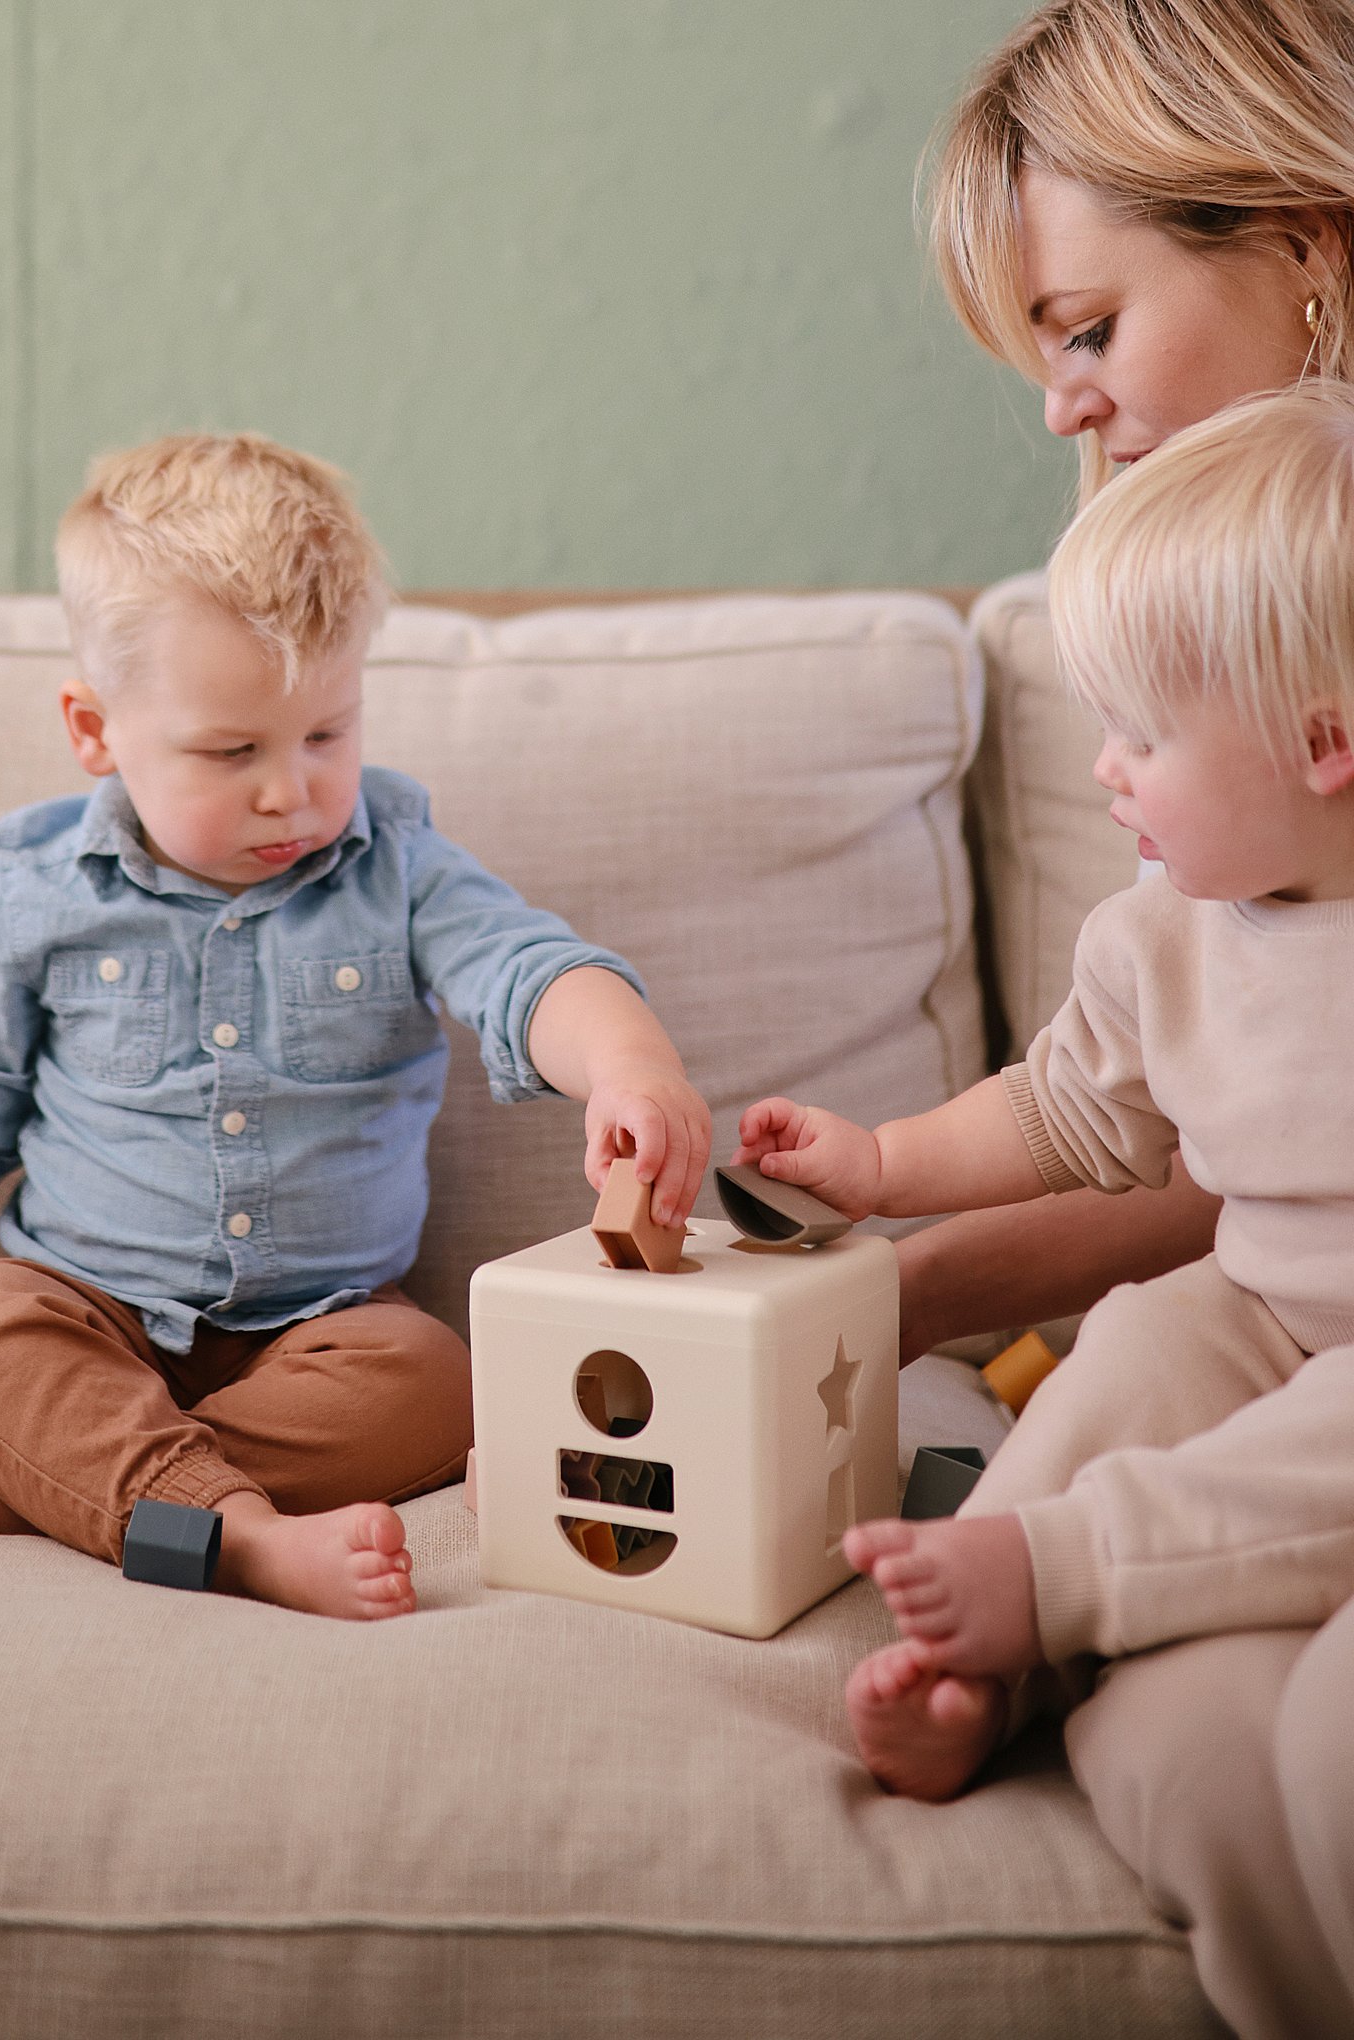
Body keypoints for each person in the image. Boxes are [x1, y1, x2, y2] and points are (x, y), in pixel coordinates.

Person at [0, 431, 711, 1624]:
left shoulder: (400, 869)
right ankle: (241, 1536)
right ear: (93, 729)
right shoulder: (38, 891)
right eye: (232, 751)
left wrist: (629, 1065)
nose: (293, 790)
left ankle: (47, 1488)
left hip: (320, 1338)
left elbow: (528, 971)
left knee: (436, 1384)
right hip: (83, 1311)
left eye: (327, 733)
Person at [747, 391, 1354, 2035]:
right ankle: (990, 1670)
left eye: (1142, 735)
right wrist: (877, 1170)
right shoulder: (1169, 932)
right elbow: (1068, 1108)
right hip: (1265, 1329)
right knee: (1154, 1355)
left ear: (1323, 743)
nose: (1104, 774)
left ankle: (1061, 1570)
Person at [862, 8, 1354, 2032]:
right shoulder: (1194, 633)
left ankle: (1049, 1586)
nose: (1064, 414)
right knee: (1180, 1738)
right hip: (1263, 1328)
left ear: (1305, 253)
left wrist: (912, 1281)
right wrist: (882, 1246)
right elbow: (1201, 1127)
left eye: (1083, 329)